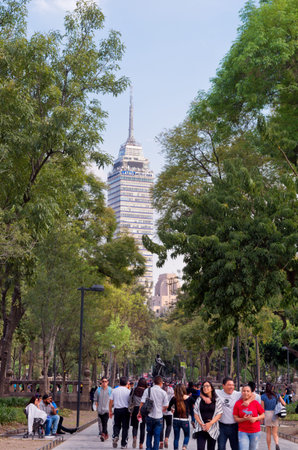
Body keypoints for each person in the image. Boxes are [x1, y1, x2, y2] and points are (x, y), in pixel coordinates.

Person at [138, 375, 169, 450]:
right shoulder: (163, 392)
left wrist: (139, 413)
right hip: (159, 417)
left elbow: (142, 403)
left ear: (154, 382)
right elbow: (166, 405)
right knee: (157, 436)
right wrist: (162, 408)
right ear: (161, 383)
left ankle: (148, 448)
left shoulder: (147, 390)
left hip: (149, 416)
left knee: (149, 434)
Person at [233, 384, 265, 450]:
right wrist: (243, 419)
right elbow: (235, 418)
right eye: (244, 391)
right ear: (241, 392)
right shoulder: (238, 403)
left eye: (248, 391)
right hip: (242, 432)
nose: (246, 393)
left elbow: (263, 415)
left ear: (251, 393)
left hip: (255, 431)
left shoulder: (255, 403)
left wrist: (256, 418)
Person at [194, 381, 223, 450]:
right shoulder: (199, 400)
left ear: (211, 388)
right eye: (204, 386)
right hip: (201, 428)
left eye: (207, 386)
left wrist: (210, 423)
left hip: (212, 427)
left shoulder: (217, 400)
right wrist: (201, 424)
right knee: (200, 448)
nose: (205, 388)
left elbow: (219, 414)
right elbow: (196, 413)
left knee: (211, 448)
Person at [168, 384, 194, 450]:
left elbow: (168, 408)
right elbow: (195, 404)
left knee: (176, 437)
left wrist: (171, 409)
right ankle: (184, 446)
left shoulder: (174, 398)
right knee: (187, 435)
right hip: (185, 420)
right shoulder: (189, 398)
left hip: (176, 419)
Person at [261, 383, 286, 450]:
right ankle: (277, 443)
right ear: (272, 388)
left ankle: (269, 448)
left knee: (268, 433)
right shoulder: (277, 395)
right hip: (275, 414)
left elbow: (262, 408)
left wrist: (262, 418)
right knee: (275, 433)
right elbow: (284, 403)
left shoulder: (263, 396)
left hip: (267, 414)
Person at [109, 376, 131, 449]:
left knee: (116, 424)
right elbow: (130, 402)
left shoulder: (114, 390)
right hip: (125, 410)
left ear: (119, 382)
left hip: (117, 409)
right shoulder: (128, 391)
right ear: (127, 383)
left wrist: (110, 411)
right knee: (125, 427)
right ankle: (123, 444)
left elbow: (111, 401)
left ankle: (115, 435)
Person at [129, 377, 148, 449]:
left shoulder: (134, 390)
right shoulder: (147, 391)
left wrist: (130, 410)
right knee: (142, 427)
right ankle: (141, 444)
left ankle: (134, 437)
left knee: (135, 425)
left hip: (135, 409)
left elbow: (130, 399)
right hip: (143, 410)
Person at [95, 377, 113, 441]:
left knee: (105, 422)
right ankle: (106, 434)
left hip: (107, 410)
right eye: (103, 381)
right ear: (101, 382)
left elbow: (112, 400)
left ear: (107, 382)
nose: (104, 383)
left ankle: (102, 434)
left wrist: (111, 409)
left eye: (105, 381)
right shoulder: (98, 390)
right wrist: (96, 408)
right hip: (100, 410)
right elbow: (96, 400)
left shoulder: (110, 390)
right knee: (102, 422)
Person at [159, 381, 174, 449]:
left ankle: (161, 442)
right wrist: (172, 408)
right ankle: (166, 439)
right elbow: (173, 400)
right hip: (169, 411)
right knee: (169, 425)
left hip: (161, 412)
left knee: (161, 427)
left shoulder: (160, 390)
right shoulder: (171, 390)